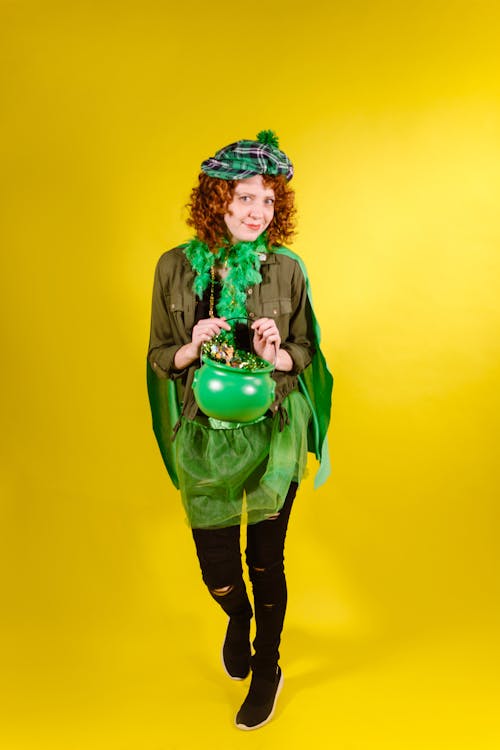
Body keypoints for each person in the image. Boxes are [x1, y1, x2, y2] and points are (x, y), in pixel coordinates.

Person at [147, 130, 333, 730]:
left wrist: (276, 353)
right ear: (217, 199)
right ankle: (236, 618)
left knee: (266, 557)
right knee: (219, 567)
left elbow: (308, 350)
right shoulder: (174, 268)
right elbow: (157, 355)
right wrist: (188, 349)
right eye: (246, 198)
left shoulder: (288, 269)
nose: (259, 212)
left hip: (274, 427)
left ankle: (267, 667)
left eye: (269, 200)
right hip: (204, 433)